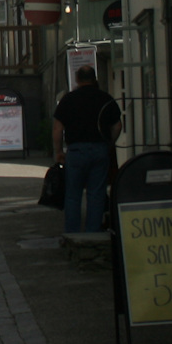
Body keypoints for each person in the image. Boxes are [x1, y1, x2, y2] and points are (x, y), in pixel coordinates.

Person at [53, 66, 122, 234]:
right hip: (99, 149)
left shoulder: (68, 100)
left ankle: (72, 234)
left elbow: (57, 128)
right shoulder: (105, 99)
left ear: (77, 79)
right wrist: (109, 143)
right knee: (96, 193)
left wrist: (58, 152)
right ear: (94, 78)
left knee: (73, 195)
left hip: (76, 152)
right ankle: (93, 232)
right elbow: (118, 125)